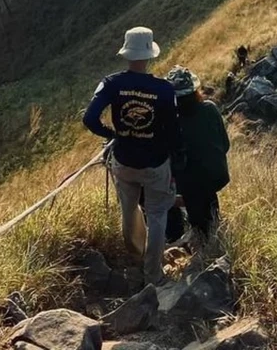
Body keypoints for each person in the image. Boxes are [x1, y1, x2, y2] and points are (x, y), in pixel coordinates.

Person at [83, 26, 183, 286]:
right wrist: (173, 159)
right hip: (155, 162)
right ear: (149, 54)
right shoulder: (164, 90)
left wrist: (113, 134)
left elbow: (89, 118)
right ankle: (154, 273)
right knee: (157, 214)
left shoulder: (111, 83)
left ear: (127, 53)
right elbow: (174, 132)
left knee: (129, 212)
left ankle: (137, 257)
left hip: (124, 160)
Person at [165, 65, 230, 239]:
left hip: (187, 184)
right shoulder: (210, 109)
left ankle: (185, 237)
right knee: (209, 210)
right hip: (216, 176)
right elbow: (225, 144)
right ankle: (212, 233)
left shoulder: (170, 121)